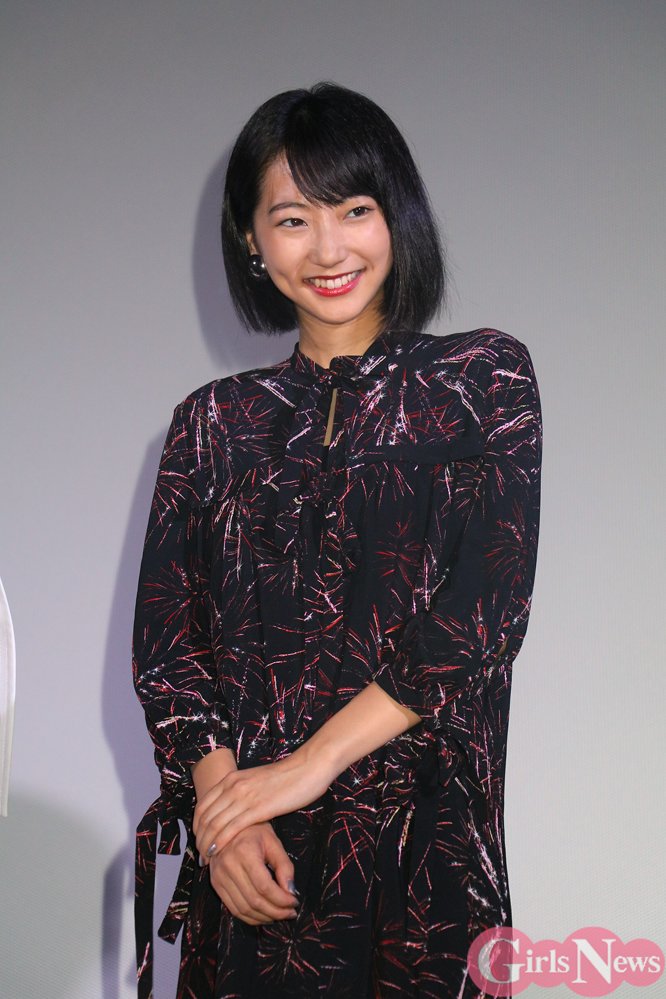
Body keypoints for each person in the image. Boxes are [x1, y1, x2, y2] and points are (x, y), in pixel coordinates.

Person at [132, 81, 542, 999]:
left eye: (354, 209)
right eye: (292, 219)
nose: (327, 249)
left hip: (423, 864)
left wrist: (306, 768)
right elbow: (168, 650)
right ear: (250, 239)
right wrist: (227, 815)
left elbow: (482, 613)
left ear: (397, 216)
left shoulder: (482, 381)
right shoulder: (210, 425)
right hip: (254, 871)